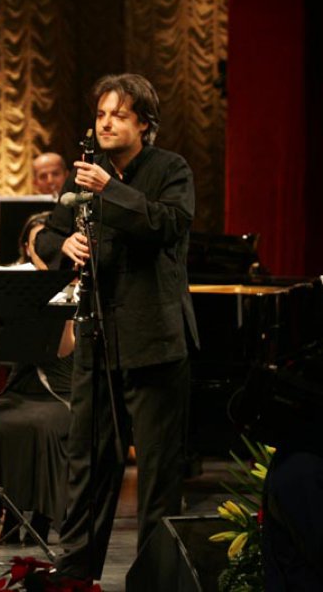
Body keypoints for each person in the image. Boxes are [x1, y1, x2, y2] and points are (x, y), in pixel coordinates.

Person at [35, 73, 198, 583]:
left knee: (157, 472)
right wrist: (62, 245)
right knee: (88, 464)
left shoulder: (170, 169)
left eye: (119, 115)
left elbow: (168, 224)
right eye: (101, 114)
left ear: (144, 124)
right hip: (97, 337)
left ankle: (153, 580)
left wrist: (112, 190)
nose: (105, 123)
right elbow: (47, 235)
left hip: (155, 341)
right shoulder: (86, 171)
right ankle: (75, 574)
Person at [0, 211, 74, 544]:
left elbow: (66, 351)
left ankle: (42, 516)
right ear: (27, 248)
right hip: (22, 384)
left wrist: (68, 307)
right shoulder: (16, 283)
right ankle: (9, 514)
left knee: (42, 426)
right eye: (37, 243)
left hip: (63, 388)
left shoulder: (78, 283)